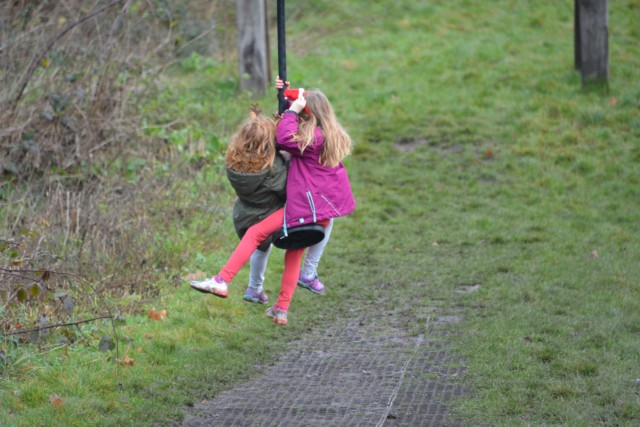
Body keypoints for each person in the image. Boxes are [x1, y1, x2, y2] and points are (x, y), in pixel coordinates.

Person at [190, 84, 355, 326]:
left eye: (300, 111)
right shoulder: (329, 134)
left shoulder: (312, 139)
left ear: (306, 115)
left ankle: (222, 280)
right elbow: (296, 116)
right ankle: (281, 309)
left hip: (307, 208)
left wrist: (291, 112)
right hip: (320, 211)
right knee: (294, 255)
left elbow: (284, 137)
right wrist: (287, 91)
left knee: (256, 233)